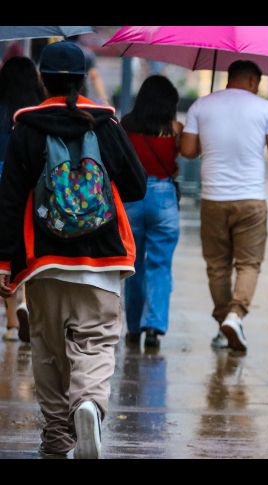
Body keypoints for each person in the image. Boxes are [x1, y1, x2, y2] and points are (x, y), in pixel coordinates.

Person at [0, 41, 146, 459]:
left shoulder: (26, 127)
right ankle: (88, 402)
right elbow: (135, 184)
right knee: (96, 342)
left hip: (43, 264)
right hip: (104, 260)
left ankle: (58, 438)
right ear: (83, 79)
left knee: (47, 350)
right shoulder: (104, 124)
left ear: (43, 80)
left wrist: (5, 263)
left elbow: (9, 201)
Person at [180, 60, 268, 353]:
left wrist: (205, 140)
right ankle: (236, 315)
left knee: (217, 266)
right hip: (250, 200)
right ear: (253, 81)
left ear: (229, 78)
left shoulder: (201, 107)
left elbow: (187, 152)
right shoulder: (266, 109)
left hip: (213, 199)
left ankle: (222, 325)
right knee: (248, 264)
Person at [121, 75, 183, 349]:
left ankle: (133, 327)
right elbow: (179, 160)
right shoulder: (174, 128)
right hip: (164, 197)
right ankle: (154, 327)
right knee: (161, 265)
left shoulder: (126, 125)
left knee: (133, 266)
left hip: (131, 197)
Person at [0, 56, 44, 342]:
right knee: (28, 241)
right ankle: (26, 303)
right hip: (28, 179)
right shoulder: (36, 110)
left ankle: (12, 319)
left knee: (4, 245)